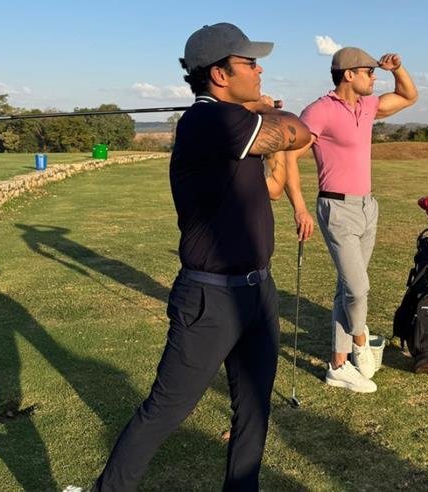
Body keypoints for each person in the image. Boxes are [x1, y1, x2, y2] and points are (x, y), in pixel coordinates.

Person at [92, 23, 310, 491]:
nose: (260, 69)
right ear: (220, 73)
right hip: (211, 298)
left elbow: (283, 159)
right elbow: (299, 130)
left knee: (254, 406)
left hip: (257, 290)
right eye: (250, 63)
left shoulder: (233, 127)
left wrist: (259, 111)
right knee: (165, 408)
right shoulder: (210, 121)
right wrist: (264, 109)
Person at [291, 47, 418, 393]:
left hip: (367, 207)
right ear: (349, 74)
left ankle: (337, 366)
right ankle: (360, 341)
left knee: (347, 289)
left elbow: (409, 95)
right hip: (337, 209)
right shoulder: (319, 111)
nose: (374, 78)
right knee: (358, 288)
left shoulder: (368, 106)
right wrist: (300, 207)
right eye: (369, 72)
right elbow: (289, 156)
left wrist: (397, 69)